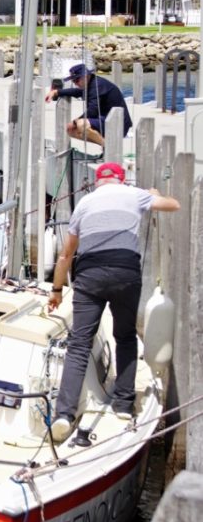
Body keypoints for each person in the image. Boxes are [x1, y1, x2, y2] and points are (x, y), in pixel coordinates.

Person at [47, 162, 180, 443]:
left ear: (98, 183)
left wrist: (57, 290)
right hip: (125, 272)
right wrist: (153, 193)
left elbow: (66, 254)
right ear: (120, 180)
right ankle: (123, 404)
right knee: (125, 337)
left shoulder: (84, 204)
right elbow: (173, 205)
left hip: (89, 275)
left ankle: (64, 414)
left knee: (79, 345)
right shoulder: (134, 194)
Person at [46, 63, 132, 147]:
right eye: (73, 81)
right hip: (106, 119)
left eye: (76, 80)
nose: (75, 83)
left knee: (81, 124)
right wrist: (57, 92)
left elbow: (92, 111)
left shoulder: (97, 85)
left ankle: (107, 148)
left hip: (118, 123)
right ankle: (105, 145)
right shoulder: (91, 83)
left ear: (85, 76)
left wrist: (75, 121)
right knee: (70, 130)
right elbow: (77, 92)